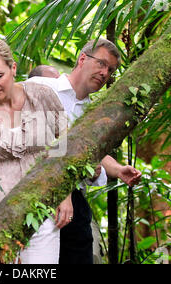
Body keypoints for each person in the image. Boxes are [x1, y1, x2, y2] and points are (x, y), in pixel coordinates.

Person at [26, 38, 142, 263]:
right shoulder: (43, 87)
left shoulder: (94, 112)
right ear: (82, 59)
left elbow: (94, 152)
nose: (105, 72)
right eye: (101, 63)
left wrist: (118, 170)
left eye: (110, 69)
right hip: (35, 191)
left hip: (74, 203)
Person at [0, 39, 68, 263]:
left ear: (13, 68)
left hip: (43, 205)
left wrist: (65, 195)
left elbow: (64, 147)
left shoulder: (41, 96)